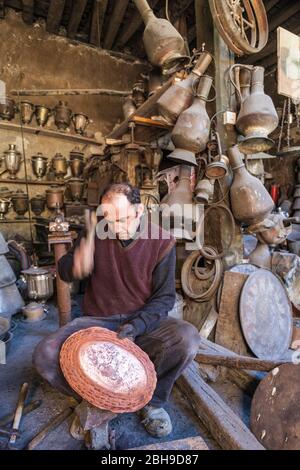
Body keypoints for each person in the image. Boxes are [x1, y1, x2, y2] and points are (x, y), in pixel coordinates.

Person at [33, 183, 200, 438]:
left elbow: (164, 299)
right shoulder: (97, 231)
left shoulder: (162, 242)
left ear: (139, 210)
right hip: (97, 322)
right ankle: (94, 398)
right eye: (109, 220)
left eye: (123, 220)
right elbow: (66, 271)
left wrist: (137, 325)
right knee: (44, 355)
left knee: (186, 339)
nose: (116, 228)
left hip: (139, 321)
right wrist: (76, 263)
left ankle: (152, 403)